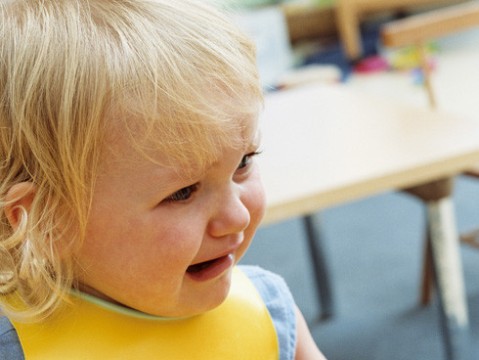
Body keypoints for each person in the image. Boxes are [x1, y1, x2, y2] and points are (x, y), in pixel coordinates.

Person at [0, 0, 327, 359]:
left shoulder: (270, 314)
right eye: (183, 192)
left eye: (243, 163)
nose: (238, 217)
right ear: (48, 222)